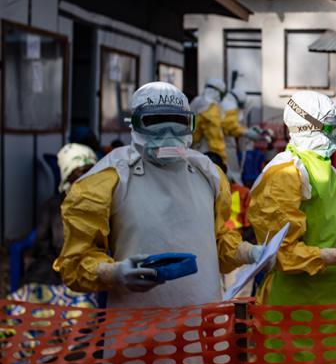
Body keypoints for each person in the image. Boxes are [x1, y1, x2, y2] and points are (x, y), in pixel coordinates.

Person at [55, 82, 262, 308]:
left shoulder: (208, 173)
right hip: (138, 330)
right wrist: (113, 273)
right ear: (134, 124)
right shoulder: (106, 179)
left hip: (205, 327)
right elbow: (75, 262)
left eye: (179, 124)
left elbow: (218, 242)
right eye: (155, 124)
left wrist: (248, 253)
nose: (168, 136)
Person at [248, 91, 336, 305]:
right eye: (330, 127)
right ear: (308, 128)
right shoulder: (285, 174)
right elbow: (282, 254)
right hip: (296, 306)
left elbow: (326, 233)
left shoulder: (325, 169)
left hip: (332, 298)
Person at [11, 143, 99, 306]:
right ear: (67, 178)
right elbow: (41, 244)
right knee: (23, 309)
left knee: (81, 313)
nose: (85, 180)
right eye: (79, 174)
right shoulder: (53, 206)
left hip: (83, 275)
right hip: (48, 273)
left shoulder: (101, 207)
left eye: (90, 174)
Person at [220, 85, 261, 183]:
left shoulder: (224, 104)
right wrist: (247, 132)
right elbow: (231, 127)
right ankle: (238, 197)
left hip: (224, 145)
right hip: (226, 146)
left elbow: (233, 124)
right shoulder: (230, 106)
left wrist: (247, 130)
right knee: (233, 176)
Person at [190, 77, 227, 159]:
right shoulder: (210, 107)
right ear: (217, 92)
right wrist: (220, 158)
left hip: (190, 148)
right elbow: (214, 135)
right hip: (206, 151)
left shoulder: (196, 101)